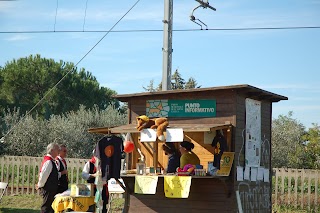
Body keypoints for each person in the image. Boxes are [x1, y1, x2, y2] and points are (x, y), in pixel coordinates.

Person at [37, 143, 67, 213]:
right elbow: (43, 175)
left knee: (50, 208)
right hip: (48, 188)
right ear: (52, 150)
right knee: (46, 207)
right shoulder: (48, 162)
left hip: (51, 189)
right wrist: (40, 185)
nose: (59, 151)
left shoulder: (51, 161)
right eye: (57, 149)